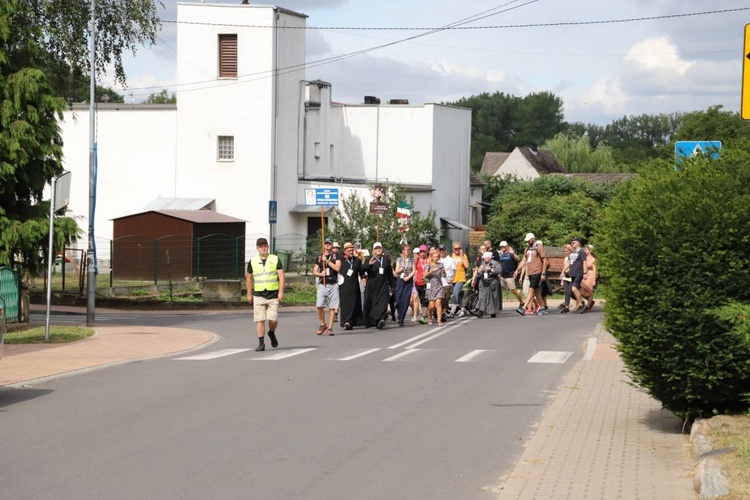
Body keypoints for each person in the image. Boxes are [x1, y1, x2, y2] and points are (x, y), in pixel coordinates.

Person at [246, 237, 284, 351]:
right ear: (257, 248)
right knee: (260, 319)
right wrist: (249, 294)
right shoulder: (252, 261)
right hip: (258, 294)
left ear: (268, 246)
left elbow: (281, 276)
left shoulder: (275, 259)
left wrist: (281, 292)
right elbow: (248, 278)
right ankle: (261, 343)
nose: (263, 248)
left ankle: (271, 332)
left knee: (273, 319)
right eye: (261, 246)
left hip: (273, 294)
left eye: (265, 245)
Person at [362, 242, 394, 329]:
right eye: (376, 248)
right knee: (372, 304)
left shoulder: (386, 259)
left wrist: (392, 285)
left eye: (379, 248)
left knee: (383, 302)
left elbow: (390, 273)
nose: (378, 249)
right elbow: (363, 269)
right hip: (372, 285)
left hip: (383, 285)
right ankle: (373, 320)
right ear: (373, 250)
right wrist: (369, 264)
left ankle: (381, 319)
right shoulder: (369, 258)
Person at [313, 237, 341, 335]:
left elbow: (337, 268)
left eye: (329, 243)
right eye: (326, 243)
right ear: (323, 245)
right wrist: (321, 274)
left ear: (332, 245)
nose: (327, 245)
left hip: (333, 283)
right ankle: (322, 324)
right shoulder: (320, 257)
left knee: (332, 307)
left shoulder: (336, 256)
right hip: (323, 284)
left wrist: (328, 262)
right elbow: (315, 271)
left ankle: (330, 327)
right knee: (319, 305)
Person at [515, 233, 547, 316]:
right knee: (536, 291)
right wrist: (517, 270)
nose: (528, 242)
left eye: (529, 240)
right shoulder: (527, 249)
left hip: (537, 272)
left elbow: (544, 260)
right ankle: (543, 307)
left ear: (533, 238)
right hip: (530, 273)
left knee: (531, 289)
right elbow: (524, 260)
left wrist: (543, 273)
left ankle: (524, 307)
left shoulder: (539, 247)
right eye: (527, 241)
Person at [338, 242, 366, 330]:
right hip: (343, 286)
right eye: (349, 250)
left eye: (352, 250)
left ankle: (350, 321)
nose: (351, 252)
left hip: (354, 286)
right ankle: (346, 321)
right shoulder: (341, 260)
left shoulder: (357, 261)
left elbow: (362, 273)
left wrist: (364, 283)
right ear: (345, 251)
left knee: (353, 303)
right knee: (345, 304)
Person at [392, 243, 416, 326]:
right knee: (398, 299)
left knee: (405, 300)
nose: (408, 251)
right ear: (403, 251)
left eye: (409, 249)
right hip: (400, 280)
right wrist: (401, 269)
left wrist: (409, 277)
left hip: (408, 281)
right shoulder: (399, 260)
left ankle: (401, 318)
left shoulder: (412, 260)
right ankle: (399, 313)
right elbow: (396, 271)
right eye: (406, 249)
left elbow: (413, 270)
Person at [423, 248, 446, 326]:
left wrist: (444, 271)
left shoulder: (441, 265)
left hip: (439, 286)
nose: (436, 258)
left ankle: (439, 322)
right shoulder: (428, 265)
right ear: (431, 257)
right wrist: (431, 271)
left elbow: (444, 275)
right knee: (432, 305)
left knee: (438, 303)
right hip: (431, 286)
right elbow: (425, 275)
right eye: (434, 257)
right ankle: (429, 314)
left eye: (437, 257)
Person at [498, 241, 524, 309]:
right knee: (497, 288)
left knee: (513, 291)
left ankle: (521, 303)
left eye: (503, 246)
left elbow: (519, 259)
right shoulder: (500, 254)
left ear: (507, 247)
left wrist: (513, 253)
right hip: (502, 276)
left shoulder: (511, 254)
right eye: (501, 246)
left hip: (509, 276)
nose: (502, 248)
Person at [476, 251, 501, 317]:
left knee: (493, 297)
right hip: (483, 281)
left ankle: (493, 312)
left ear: (489, 257)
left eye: (485, 258)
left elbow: (499, 270)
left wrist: (491, 269)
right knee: (482, 297)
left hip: (492, 281)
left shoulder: (495, 263)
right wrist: (480, 269)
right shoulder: (482, 263)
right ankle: (480, 311)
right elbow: (478, 271)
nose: (484, 259)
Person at [449, 241, 470, 317]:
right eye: (456, 249)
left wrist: (461, 256)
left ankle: (452, 312)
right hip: (453, 278)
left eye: (459, 248)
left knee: (455, 294)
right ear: (453, 249)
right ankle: (463, 309)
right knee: (457, 295)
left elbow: (467, 266)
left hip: (461, 278)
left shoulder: (463, 256)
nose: (457, 250)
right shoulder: (451, 256)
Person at [568, 237, 589, 314]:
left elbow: (584, 262)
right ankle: (581, 301)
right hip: (572, 273)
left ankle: (580, 304)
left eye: (574, 243)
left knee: (574, 288)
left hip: (579, 273)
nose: (572, 244)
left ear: (578, 243)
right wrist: (563, 271)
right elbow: (569, 262)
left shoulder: (581, 252)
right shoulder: (573, 252)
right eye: (571, 243)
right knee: (572, 291)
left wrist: (585, 273)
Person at [438, 245, 456, 319]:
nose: (442, 251)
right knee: (439, 298)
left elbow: (455, 271)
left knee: (445, 297)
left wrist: (452, 279)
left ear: (445, 250)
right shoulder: (437, 260)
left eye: (443, 250)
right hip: (438, 282)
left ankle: (444, 313)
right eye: (440, 250)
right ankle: (438, 312)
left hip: (447, 282)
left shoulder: (450, 260)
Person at [414, 244, 430, 324]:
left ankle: (424, 316)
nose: (423, 253)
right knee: (422, 299)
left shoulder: (429, 261)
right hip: (418, 282)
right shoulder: (417, 261)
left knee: (426, 299)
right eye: (421, 252)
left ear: (427, 252)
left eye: (424, 252)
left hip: (427, 283)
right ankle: (426, 316)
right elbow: (414, 270)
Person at [580, 246, 597, 312]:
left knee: (589, 291)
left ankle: (588, 306)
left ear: (590, 251)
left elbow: (595, 270)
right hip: (585, 275)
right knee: (582, 291)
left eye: (586, 249)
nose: (584, 250)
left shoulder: (593, 259)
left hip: (591, 276)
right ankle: (591, 301)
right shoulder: (585, 258)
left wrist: (594, 280)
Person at [559, 244, 575, 313]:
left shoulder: (573, 256)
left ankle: (579, 300)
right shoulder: (565, 258)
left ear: (570, 250)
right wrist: (562, 277)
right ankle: (566, 307)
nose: (566, 252)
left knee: (571, 292)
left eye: (567, 251)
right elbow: (564, 266)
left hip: (571, 275)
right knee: (566, 292)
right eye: (565, 251)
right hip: (566, 275)